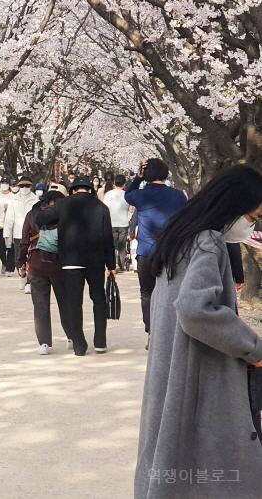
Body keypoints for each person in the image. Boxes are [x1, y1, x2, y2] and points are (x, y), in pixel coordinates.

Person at [135, 165, 262, 499]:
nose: (253, 223)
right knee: (208, 464)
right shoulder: (208, 241)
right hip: (196, 367)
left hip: (173, 363)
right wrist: (253, 347)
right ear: (234, 205)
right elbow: (195, 310)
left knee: (173, 455)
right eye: (254, 215)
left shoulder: (182, 234)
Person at [35, 176, 117, 356]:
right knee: (98, 300)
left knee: (74, 302)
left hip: (71, 260)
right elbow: (107, 237)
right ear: (90, 190)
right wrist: (111, 264)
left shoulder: (64, 204)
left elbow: (40, 218)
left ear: (73, 190)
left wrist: (40, 203)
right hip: (96, 261)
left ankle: (79, 345)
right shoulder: (101, 207)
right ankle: (100, 342)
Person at [125, 158, 187, 336]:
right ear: (166, 173)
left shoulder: (141, 195)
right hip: (171, 252)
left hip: (146, 252)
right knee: (171, 292)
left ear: (146, 174)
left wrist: (138, 177)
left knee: (147, 293)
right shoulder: (177, 196)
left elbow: (128, 194)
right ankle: (169, 331)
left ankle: (151, 331)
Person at [17, 191, 69, 354]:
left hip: (37, 264)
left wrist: (21, 262)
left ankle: (44, 343)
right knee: (66, 303)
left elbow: (24, 240)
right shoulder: (65, 214)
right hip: (60, 264)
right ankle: (71, 336)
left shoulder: (32, 215)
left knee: (40, 305)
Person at [4, 176, 40, 293]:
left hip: (33, 233)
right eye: (22, 186)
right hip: (18, 232)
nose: (24, 188)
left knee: (32, 257)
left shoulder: (36, 199)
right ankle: (22, 276)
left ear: (31, 186)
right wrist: (6, 231)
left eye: (27, 186)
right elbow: (9, 217)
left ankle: (30, 281)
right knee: (18, 257)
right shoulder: (13, 200)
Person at [103, 175, 132, 271]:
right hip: (123, 223)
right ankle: (121, 265)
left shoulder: (108, 194)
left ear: (114, 183)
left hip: (111, 223)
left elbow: (104, 208)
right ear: (124, 184)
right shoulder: (126, 195)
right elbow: (131, 209)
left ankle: (113, 264)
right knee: (122, 245)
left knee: (112, 245)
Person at [0, 177, 14, 276]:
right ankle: (4, 263)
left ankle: (9, 268)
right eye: (3, 183)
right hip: (0, 225)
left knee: (11, 247)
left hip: (11, 226)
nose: (4, 184)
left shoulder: (14, 197)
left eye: (6, 182)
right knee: (0, 247)